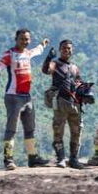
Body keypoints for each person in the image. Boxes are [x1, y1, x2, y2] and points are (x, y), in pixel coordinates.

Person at [0, 28, 51, 170]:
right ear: (16, 39)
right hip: (13, 97)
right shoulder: (10, 54)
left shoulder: (27, 53)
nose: (25, 42)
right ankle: (8, 160)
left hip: (27, 97)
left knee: (30, 128)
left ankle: (32, 157)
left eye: (27, 39)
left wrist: (42, 44)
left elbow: (37, 50)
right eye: (22, 39)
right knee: (11, 129)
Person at [41, 40, 84, 169]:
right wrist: (49, 58)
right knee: (58, 130)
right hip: (60, 101)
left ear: (72, 50)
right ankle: (60, 158)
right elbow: (46, 70)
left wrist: (84, 91)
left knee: (76, 131)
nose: (67, 50)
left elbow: (79, 82)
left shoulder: (75, 67)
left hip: (75, 103)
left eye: (69, 48)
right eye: (64, 48)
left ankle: (74, 159)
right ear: (60, 50)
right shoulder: (55, 64)